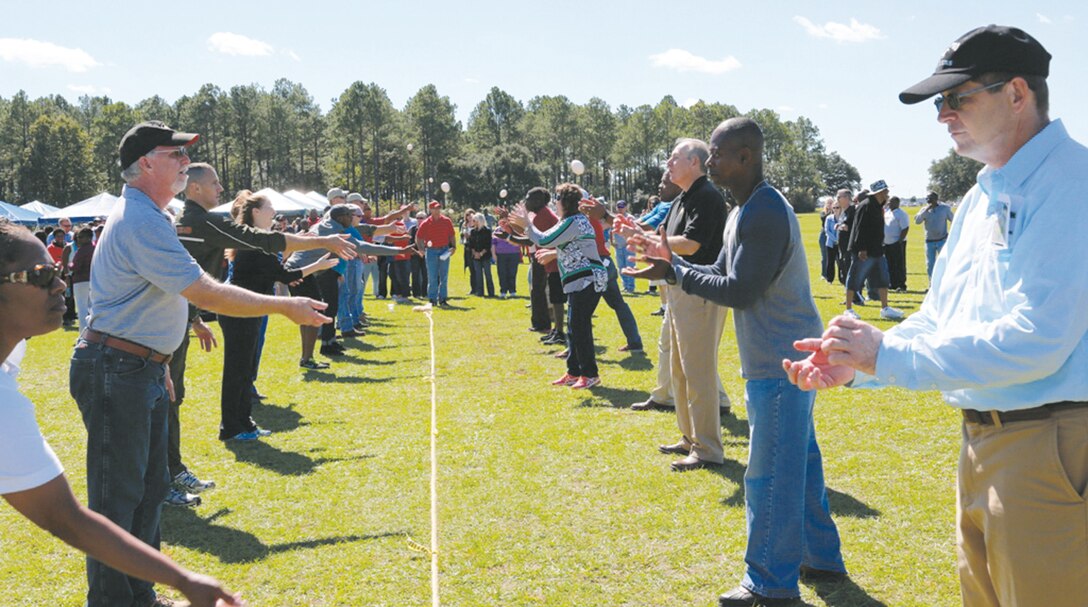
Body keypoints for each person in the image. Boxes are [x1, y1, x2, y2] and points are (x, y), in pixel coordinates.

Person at [784, 25, 1088, 607]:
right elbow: (940, 318)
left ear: (1017, 94)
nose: (943, 114)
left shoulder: (1072, 182)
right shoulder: (981, 197)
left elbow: (1038, 337)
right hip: (985, 440)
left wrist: (887, 354)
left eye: (958, 97)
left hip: (1051, 445)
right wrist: (859, 362)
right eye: (939, 102)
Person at [70, 120, 331, 606]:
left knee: (148, 495)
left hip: (138, 368)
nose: (186, 163)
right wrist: (283, 305)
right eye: (176, 155)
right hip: (116, 369)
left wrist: (160, 360)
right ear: (146, 163)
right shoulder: (142, 220)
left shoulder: (154, 215)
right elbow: (203, 290)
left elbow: (160, 297)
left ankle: (139, 595)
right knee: (117, 501)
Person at [625, 118, 844, 606]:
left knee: (770, 475)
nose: (711, 161)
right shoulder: (745, 207)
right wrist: (670, 266)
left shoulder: (764, 208)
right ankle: (822, 557)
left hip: (783, 364)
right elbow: (721, 272)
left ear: (745, 157)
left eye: (719, 154)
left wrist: (677, 271)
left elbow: (741, 291)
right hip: (784, 360)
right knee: (800, 463)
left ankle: (769, 583)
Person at [0, 219, 243, 607]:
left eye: (58, 272)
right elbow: (67, 520)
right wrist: (184, 579)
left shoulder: (10, 357)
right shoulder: (4, 408)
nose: (61, 284)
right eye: (41, 275)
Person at [169, 162, 354, 506]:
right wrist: (322, 240)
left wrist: (193, 319)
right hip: (204, 315)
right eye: (214, 183)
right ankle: (171, 472)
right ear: (194, 189)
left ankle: (173, 469)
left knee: (175, 395)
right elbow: (263, 245)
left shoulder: (194, 221)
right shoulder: (202, 222)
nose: (221, 189)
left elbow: (183, 274)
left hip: (185, 317)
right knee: (170, 397)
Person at [632, 138, 730, 471]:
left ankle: (708, 449)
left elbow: (690, 244)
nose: (668, 163)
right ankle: (690, 439)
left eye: (674, 158)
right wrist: (645, 238)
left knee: (698, 373)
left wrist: (648, 242)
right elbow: (669, 243)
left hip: (701, 292)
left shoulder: (707, 197)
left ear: (694, 162)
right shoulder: (682, 199)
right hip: (679, 290)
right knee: (680, 370)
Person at [219, 192, 338, 440]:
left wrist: (317, 264)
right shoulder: (255, 243)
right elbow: (285, 276)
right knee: (237, 372)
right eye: (269, 207)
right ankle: (232, 428)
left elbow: (283, 272)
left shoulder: (260, 242)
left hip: (250, 309)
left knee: (244, 370)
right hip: (238, 311)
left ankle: (245, 424)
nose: (274, 211)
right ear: (256, 213)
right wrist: (319, 263)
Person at [508, 183, 607, 389]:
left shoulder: (575, 221)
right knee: (573, 327)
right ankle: (574, 371)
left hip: (587, 280)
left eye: (558, 198)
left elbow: (544, 239)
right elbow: (546, 238)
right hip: (578, 282)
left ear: (566, 202)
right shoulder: (569, 221)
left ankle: (590, 374)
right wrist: (524, 227)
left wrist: (527, 223)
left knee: (580, 328)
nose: (555, 202)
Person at [843, 180, 904, 321]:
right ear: (879, 192)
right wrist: (862, 249)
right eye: (886, 191)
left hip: (877, 250)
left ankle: (885, 308)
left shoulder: (878, 206)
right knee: (855, 278)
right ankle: (848, 309)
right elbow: (860, 228)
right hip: (864, 251)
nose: (888, 194)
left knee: (883, 279)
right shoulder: (866, 206)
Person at [415, 201, 457, 306]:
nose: (437, 210)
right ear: (431, 210)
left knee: (444, 276)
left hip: (444, 250)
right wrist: (421, 249)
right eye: (435, 208)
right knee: (432, 276)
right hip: (431, 251)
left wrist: (454, 247)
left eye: (439, 208)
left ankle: (442, 299)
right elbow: (418, 237)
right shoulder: (426, 223)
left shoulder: (447, 221)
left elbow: (452, 235)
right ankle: (432, 299)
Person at [913, 191, 954, 280]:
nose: (929, 200)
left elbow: (953, 220)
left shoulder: (944, 209)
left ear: (936, 199)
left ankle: (944, 282)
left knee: (944, 262)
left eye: (931, 198)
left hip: (942, 240)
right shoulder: (924, 210)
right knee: (930, 264)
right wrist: (926, 210)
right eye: (927, 198)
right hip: (929, 242)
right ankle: (931, 284)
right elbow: (917, 221)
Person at [69, 227, 95, 332]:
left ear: (88, 238)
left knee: (82, 309)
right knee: (92, 309)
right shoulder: (95, 248)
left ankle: (83, 335)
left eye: (80, 237)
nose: (78, 239)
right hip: (94, 281)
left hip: (81, 281)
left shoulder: (82, 250)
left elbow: (75, 267)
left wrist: (69, 264)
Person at [883, 195, 910, 291]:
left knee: (899, 264)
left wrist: (900, 240)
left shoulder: (901, 214)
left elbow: (905, 228)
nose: (889, 203)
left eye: (891, 202)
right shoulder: (887, 212)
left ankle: (901, 284)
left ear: (897, 203)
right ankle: (892, 283)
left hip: (897, 242)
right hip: (887, 243)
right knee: (889, 263)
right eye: (888, 202)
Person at [467, 212, 495, 297]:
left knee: (488, 274)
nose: (473, 222)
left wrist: (481, 253)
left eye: (474, 220)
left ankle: (491, 292)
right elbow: (470, 244)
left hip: (486, 256)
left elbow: (488, 244)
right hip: (475, 256)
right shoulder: (472, 232)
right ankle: (480, 292)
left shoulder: (487, 231)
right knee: (478, 275)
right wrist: (475, 253)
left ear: (479, 221)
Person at [822, 197, 841, 284]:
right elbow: (827, 230)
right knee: (830, 262)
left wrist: (839, 240)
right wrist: (835, 239)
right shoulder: (829, 218)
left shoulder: (843, 218)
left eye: (838, 207)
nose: (836, 209)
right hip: (830, 243)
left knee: (841, 262)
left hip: (841, 243)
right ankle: (830, 279)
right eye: (834, 207)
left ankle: (842, 279)